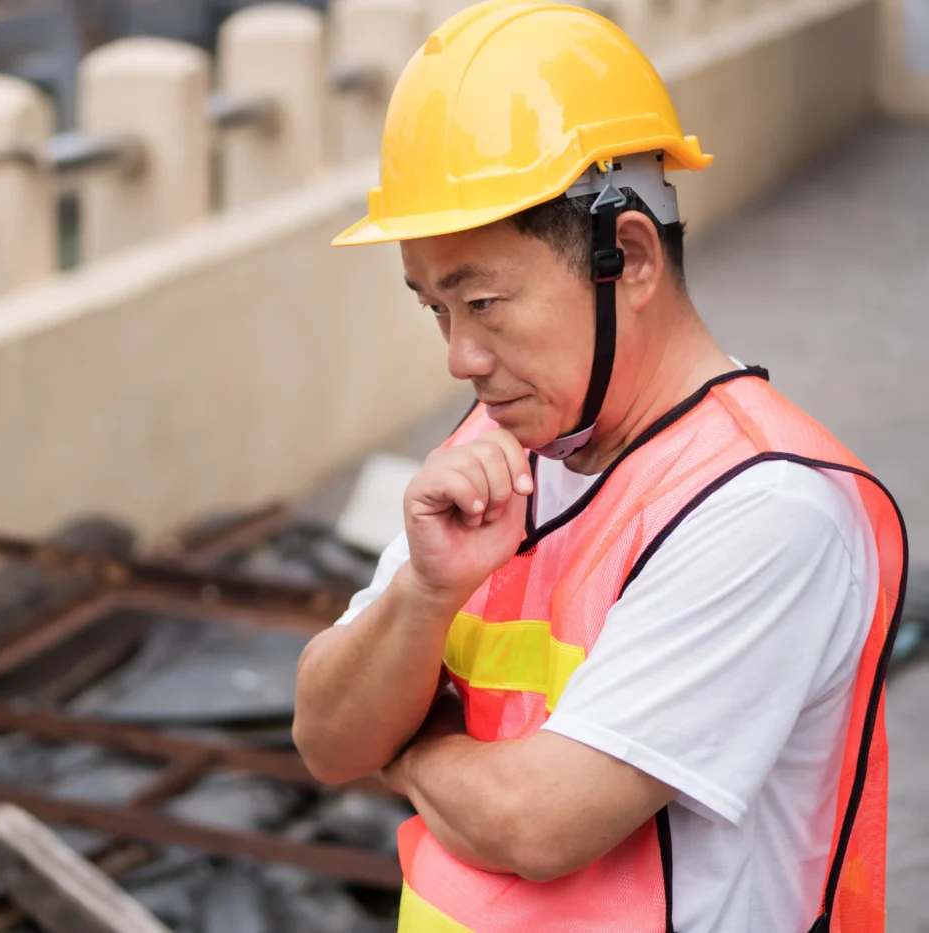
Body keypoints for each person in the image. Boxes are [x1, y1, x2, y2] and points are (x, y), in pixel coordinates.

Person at [290, 1, 906, 930]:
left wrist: (409, 746)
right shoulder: (496, 445)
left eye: (483, 302)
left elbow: (539, 822)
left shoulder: (764, 507)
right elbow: (328, 740)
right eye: (435, 310)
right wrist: (424, 592)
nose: (460, 357)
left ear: (631, 257)